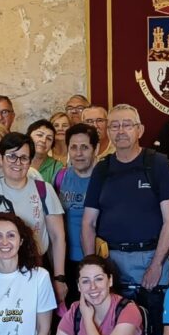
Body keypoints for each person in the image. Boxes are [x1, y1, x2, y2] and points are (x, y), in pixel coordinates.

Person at [82, 104, 169, 292]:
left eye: (127, 125)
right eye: (114, 126)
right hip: (110, 260)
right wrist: (91, 267)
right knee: (113, 320)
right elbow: (88, 223)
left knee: (152, 318)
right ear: (108, 132)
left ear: (140, 130)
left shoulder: (157, 163)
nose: (121, 131)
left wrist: (156, 264)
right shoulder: (102, 169)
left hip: (151, 257)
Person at [0, 132, 68, 303]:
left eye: (24, 158)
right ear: (2, 157)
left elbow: (57, 237)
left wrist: (60, 277)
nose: (17, 163)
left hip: (35, 269)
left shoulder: (44, 190)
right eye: (12, 157)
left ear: (30, 161)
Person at [58, 123, 99, 293]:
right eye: (73, 147)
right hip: (67, 261)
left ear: (95, 150)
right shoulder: (61, 177)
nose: (78, 153)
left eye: (84, 147)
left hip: (98, 259)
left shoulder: (104, 179)